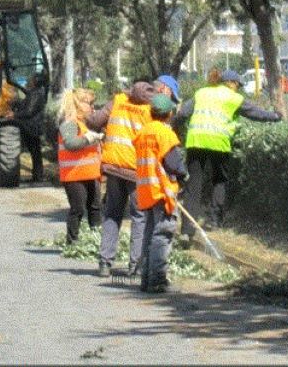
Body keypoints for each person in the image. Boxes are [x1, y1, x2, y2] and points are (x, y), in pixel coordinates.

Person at [86, 76, 178, 277]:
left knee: (112, 213)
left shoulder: (118, 100)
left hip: (114, 165)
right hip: (137, 170)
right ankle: (135, 265)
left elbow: (94, 121)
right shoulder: (152, 109)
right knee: (140, 217)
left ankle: (105, 263)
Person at [175, 68, 281, 239]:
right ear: (231, 83)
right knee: (219, 180)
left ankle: (187, 231)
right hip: (219, 142)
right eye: (238, 85)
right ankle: (214, 220)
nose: (238, 89)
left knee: (193, 186)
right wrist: (275, 116)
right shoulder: (234, 98)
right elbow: (255, 113)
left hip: (196, 141)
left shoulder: (202, 93)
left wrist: (171, 125)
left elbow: (183, 114)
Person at [134, 94, 188, 293]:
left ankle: (146, 279)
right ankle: (157, 280)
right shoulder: (165, 134)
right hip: (162, 191)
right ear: (170, 114)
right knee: (162, 234)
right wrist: (184, 176)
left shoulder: (143, 132)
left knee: (149, 233)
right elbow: (174, 164)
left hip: (146, 190)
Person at [57, 88, 104, 244]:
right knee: (77, 208)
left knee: (96, 207)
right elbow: (70, 143)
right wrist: (88, 138)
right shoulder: (69, 123)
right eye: (89, 103)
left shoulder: (87, 123)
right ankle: (72, 240)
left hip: (91, 174)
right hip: (74, 175)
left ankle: (96, 239)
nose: (92, 107)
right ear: (78, 104)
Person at [12, 73, 47, 182]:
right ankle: (37, 175)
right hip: (31, 125)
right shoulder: (34, 93)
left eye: (31, 79)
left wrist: (14, 115)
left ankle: (38, 176)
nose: (29, 81)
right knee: (35, 152)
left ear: (36, 81)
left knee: (35, 152)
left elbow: (28, 111)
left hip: (31, 126)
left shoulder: (36, 94)